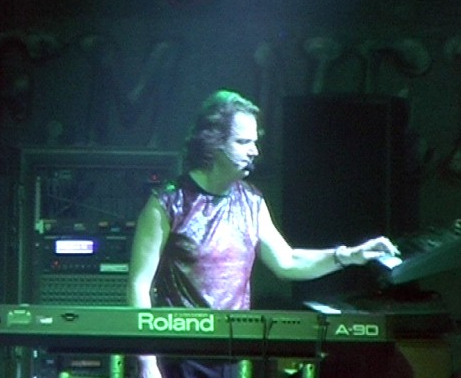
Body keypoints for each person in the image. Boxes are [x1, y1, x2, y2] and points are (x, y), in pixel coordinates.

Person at [126, 89, 400, 378]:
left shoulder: (251, 200)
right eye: (243, 142)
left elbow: (287, 262)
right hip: (178, 356)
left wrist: (349, 256)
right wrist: (146, 361)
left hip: (232, 354)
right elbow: (138, 285)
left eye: (255, 141)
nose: (254, 151)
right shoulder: (167, 203)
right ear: (213, 143)